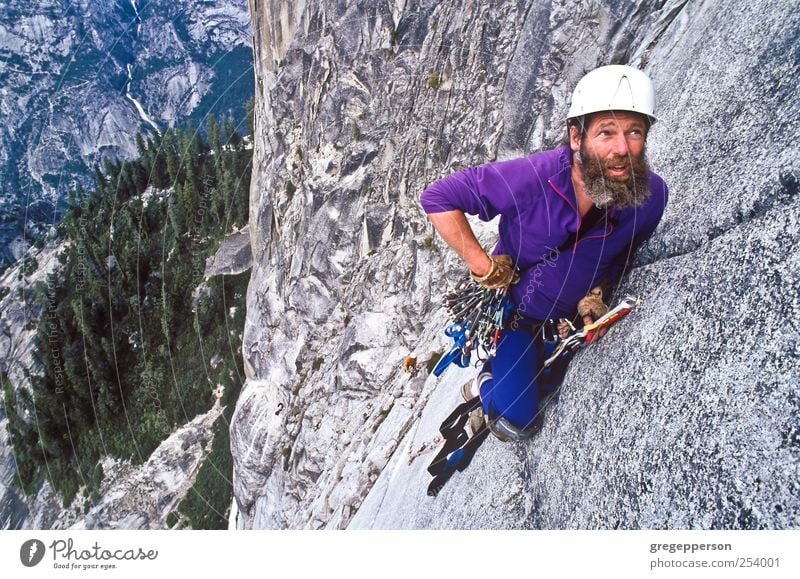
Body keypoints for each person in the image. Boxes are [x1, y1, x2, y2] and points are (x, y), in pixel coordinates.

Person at [420, 65, 668, 441]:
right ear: (575, 136)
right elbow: (438, 197)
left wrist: (597, 294)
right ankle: (484, 381)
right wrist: (484, 267)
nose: (622, 148)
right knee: (516, 422)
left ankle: (533, 356)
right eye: (606, 133)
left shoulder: (648, 199)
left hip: (568, 313)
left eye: (634, 132)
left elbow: (622, 255)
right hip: (516, 314)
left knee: (547, 378)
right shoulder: (536, 177)